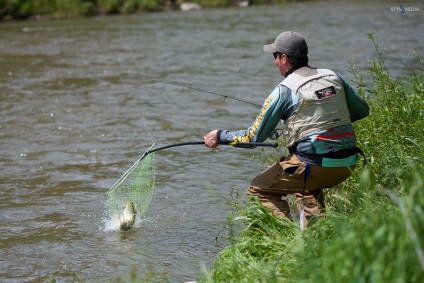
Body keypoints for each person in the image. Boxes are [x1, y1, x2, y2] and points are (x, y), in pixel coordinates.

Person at [204, 31, 369, 228]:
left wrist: (220, 135)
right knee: (307, 190)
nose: (274, 62)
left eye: (275, 56)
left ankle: (286, 241)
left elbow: (252, 137)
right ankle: (315, 243)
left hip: (314, 165)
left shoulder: (284, 90)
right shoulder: (334, 77)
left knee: (259, 189)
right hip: (347, 163)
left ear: (284, 58)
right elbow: (362, 110)